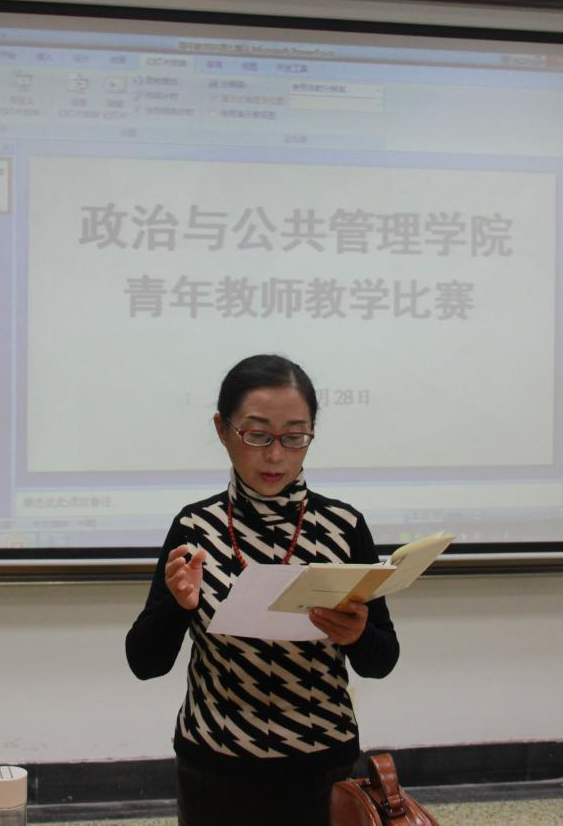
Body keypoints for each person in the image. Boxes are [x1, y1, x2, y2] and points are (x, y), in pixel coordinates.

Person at [125, 354, 400, 826]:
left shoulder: (343, 526)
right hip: (215, 766)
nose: (276, 456)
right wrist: (178, 605)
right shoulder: (195, 527)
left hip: (322, 765)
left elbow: (382, 660)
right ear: (222, 430)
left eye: (295, 437)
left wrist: (357, 635)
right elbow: (144, 663)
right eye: (257, 435)